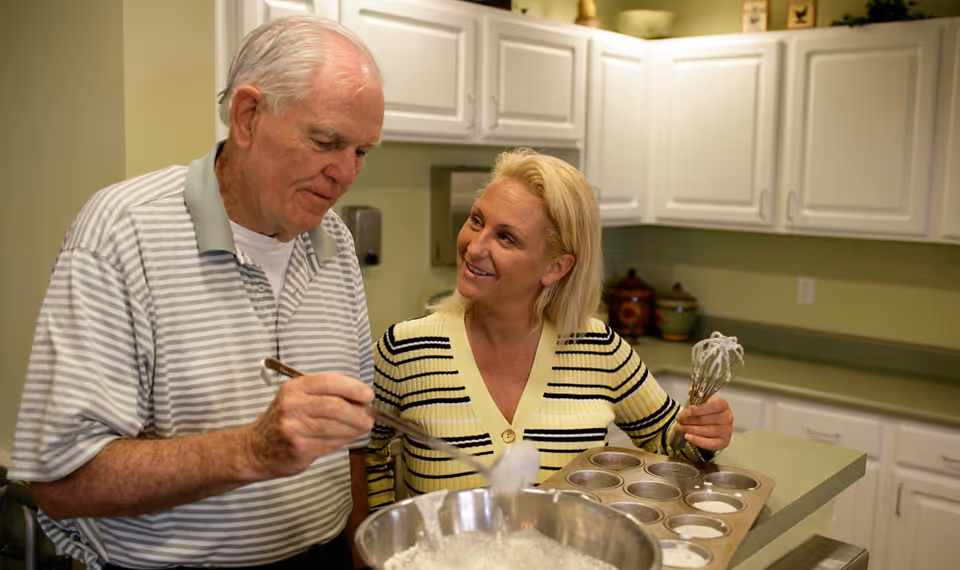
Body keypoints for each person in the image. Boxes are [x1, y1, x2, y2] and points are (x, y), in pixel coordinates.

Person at [9, 15, 384, 570]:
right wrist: (252, 450)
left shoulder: (335, 240)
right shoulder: (121, 231)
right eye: (326, 141)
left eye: (361, 152)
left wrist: (356, 549)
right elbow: (60, 480)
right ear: (248, 116)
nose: (345, 174)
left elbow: (351, 442)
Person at [366, 149, 734, 508]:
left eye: (506, 237)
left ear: (556, 268)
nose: (474, 247)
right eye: (477, 220)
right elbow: (368, 456)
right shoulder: (405, 350)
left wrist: (705, 431)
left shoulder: (600, 350)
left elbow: (668, 440)